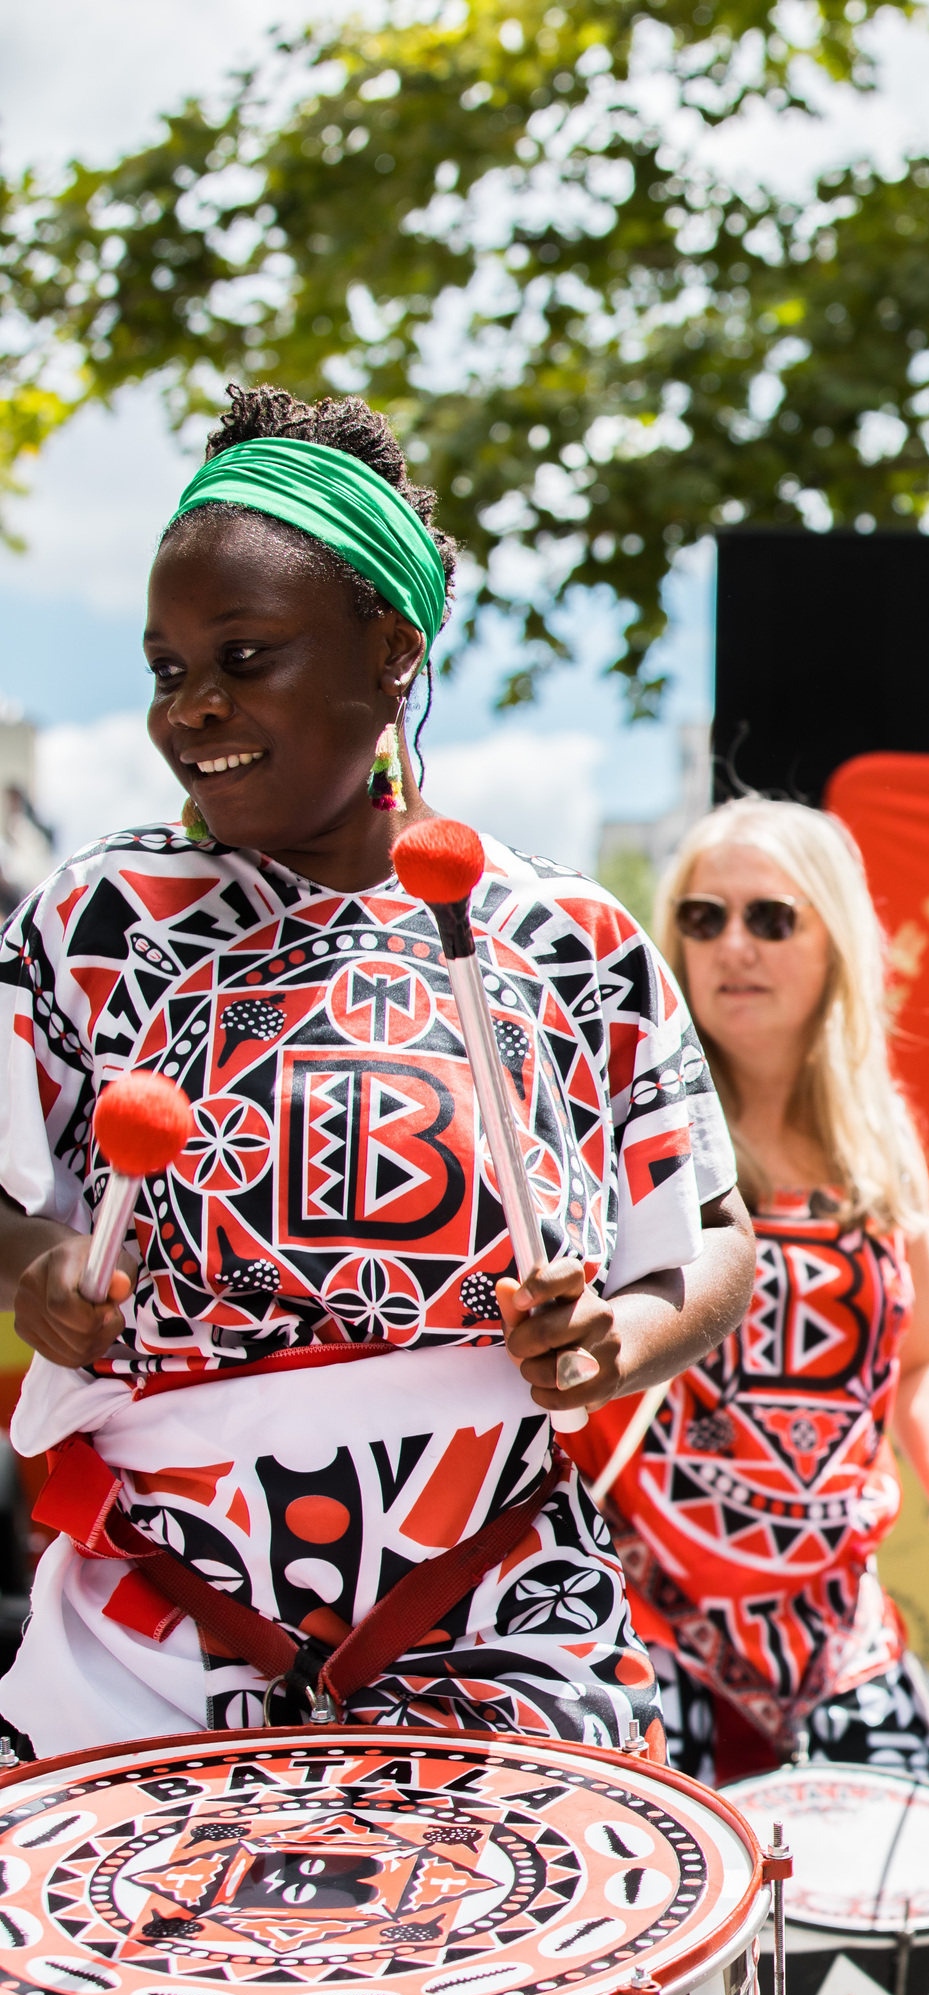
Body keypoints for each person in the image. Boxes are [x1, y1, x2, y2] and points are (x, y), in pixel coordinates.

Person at [0, 385, 753, 1755]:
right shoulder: (90, 925)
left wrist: (617, 1344)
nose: (196, 708)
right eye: (170, 670)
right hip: (150, 1640)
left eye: (247, 654)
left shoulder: (565, 942)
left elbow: (710, 1244)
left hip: (499, 1619)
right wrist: (31, 1265)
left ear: (392, 652)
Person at [579, 800, 929, 1781]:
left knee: (920, 1913)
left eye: (770, 917)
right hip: (638, 1625)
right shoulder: (622, 1130)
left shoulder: (876, 1145)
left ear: (833, 937)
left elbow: (926, 1354)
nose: (732, 944)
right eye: (703, 918)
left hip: (838, 1633)